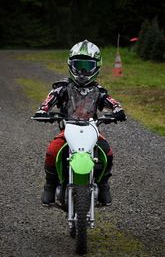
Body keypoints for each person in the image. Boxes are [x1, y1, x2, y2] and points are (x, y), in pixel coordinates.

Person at [34, 40, 126, 206]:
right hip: (68, 129)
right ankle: (50, 184)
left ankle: (104, 184)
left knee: (108, 152)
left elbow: (112, 102)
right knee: (52, 150)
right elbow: (49, 100)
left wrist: (118, 110)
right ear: (71, 64)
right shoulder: (62, 87)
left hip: (91, 129)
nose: (83, 71)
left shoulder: (99, 91)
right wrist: (43, 110)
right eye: (79, 65)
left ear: (96, 66)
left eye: (87, 66)